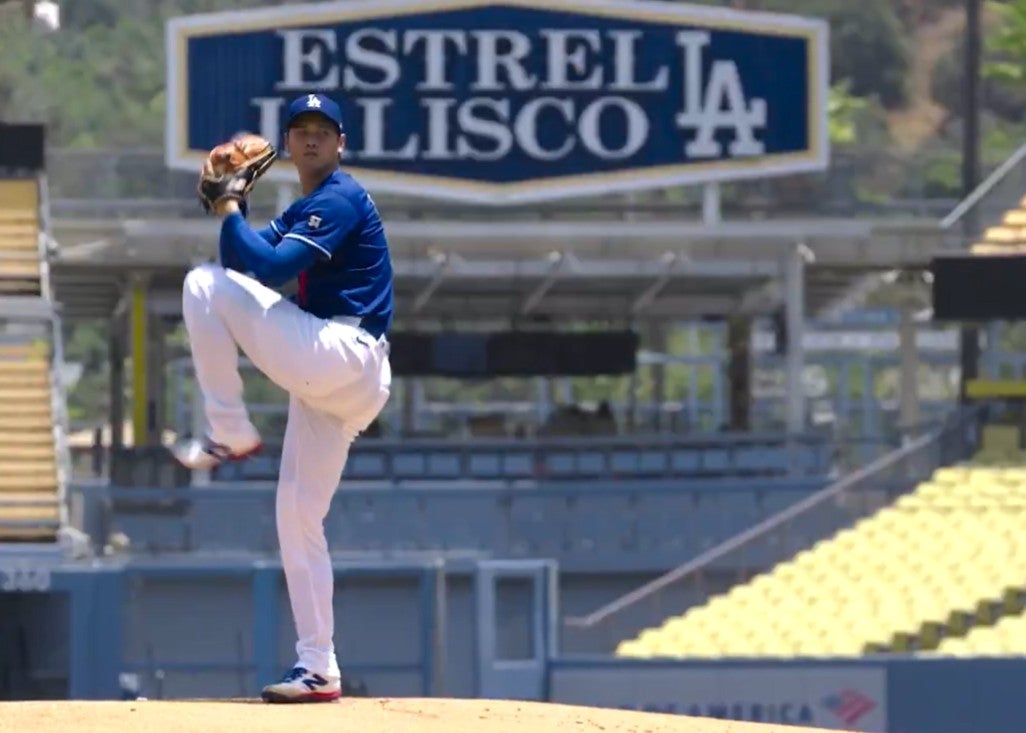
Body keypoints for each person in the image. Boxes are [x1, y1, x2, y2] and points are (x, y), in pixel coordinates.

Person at [171, 92, 393, 703]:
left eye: (325, 129)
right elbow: (243, 258)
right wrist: (227, 207)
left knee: (199, 284)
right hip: (337, 381)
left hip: (342, 353)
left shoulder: (340, 198)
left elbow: (258, 273)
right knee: (297, 516)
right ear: (288, 144)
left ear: (341, 143)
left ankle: (228, 429)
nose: (313, 138)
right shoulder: (308, 206)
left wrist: (230, 202)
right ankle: (318, 666)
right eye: (302, 129)